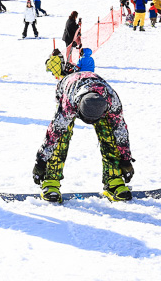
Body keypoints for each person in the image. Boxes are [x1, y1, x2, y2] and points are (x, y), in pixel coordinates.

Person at [32, 71, 133, 202]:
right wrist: (40, 162)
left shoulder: (112, 101)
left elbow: (120, 132)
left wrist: (126, 160)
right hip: (68, 88)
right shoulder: (69, 104)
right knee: (61, 137)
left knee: (110, 136)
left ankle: (114, 182)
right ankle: (51, 183)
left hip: (98, 92)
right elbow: (53, 135)